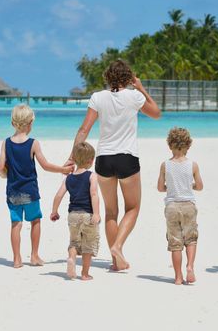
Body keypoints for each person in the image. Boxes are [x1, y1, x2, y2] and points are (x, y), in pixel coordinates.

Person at [66, 59, 161, 271]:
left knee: (110, 212)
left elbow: (84, 129)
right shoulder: (134, 96)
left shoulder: (97, 97)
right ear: (128, 78)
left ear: (107, 77)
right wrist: (142, 89)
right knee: (133, 208)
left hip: (104, 159)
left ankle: (116, 261)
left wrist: (73, 157)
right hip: (127, 158)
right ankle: (118, 247)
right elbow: (156, 113)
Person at [0, 104, 73, 268]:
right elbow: (45, 165)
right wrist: (63, 169)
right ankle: (34, 256)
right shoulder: (33, 143)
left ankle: (17, 259)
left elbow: (0, 167)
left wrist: (6, 173)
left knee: (16, 224)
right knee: (35, 221)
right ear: (30, 123)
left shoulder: (6, 143)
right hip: (30, 191)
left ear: (12, 123)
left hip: (13, 192)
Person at [157, 127, 203, 285]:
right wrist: (191, 186)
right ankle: (190, 266)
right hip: (188, 205)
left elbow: (160, 188)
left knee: (175, 242)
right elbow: (200, 186)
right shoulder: (193, 165)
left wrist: (170, 187)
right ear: (188, 145)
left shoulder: (165, 165)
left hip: (171, 206)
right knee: (190, 239)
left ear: (169, 145)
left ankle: (178, 277)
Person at [50, 142, 101, 280]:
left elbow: (59, 195)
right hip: (87, 214)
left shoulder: (69, 178)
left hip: (72, 215)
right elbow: (94, 194)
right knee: (88, 245)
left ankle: (71, 258)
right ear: (91, 161)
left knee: (73, 242)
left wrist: (54, 211)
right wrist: (96, 213)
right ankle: (84, 273)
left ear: (75, 160)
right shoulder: (92, 176)